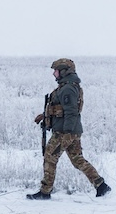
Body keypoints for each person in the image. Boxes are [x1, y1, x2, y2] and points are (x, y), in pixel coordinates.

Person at [27, 58, 111, 200]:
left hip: (65, 132)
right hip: (70, 131)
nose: (54, 74)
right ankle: (101, 185)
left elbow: (71, 112)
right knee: (77, 160)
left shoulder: (68, 89)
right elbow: (60, 109)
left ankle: (45, 191)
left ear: (65, 71)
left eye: (56, 71)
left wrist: (66, 133)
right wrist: (45, 116)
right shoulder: (66, 86)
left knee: (50, 157)